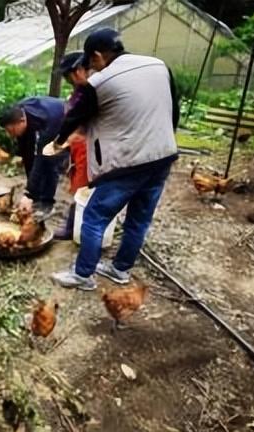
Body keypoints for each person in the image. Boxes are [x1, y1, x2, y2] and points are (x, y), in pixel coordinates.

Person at [49, 28, 180, 290]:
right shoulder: (158, 65)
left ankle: (83, 275)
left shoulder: (100, 82)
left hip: (130, 163)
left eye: (91, 61)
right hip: (164, 156)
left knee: (95, 217)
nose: (92, 68)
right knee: (139, 219)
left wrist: (58, 142)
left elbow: (75, 117)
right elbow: (174, 109)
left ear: (97, 55)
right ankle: (121, 270)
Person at [0, 97, 68, 219]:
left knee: (49, 162)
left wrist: (28, 194)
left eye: (12, 130)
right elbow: (27, 155)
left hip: (62, 120)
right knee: (28, 153)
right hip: (44, 118)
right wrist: (31, 192)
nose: (10, 135)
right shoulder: (19, 112)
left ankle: (47, 203)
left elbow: (40, 159)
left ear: (21, 121)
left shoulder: (48, 125)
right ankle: (35, 198)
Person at [54, 52, 92, 240]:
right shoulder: (79, 91)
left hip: (87, 145)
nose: (68, 79)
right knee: (78, 184)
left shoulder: (91, 89)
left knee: (82, 187)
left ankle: (73, 228)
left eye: (68, 75)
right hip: (77, 145)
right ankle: (77, 224)